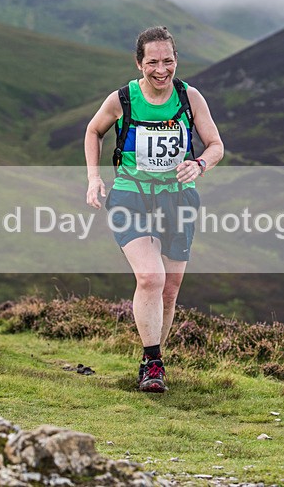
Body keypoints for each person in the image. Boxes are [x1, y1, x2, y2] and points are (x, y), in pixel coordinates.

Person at [84, 26, 224, 393]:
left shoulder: (190, 97)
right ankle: (154, 362)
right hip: (131, 196)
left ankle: (151, 360)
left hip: (179, 198)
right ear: (138, 63)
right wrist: (94, 178)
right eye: (152, 62)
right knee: (150, 277)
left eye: (168, 61)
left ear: (176, 60)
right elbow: (93, 131)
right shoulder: (123, 99)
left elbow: (215, 145)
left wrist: (201, 164)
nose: (161, 70)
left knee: (170, 289)